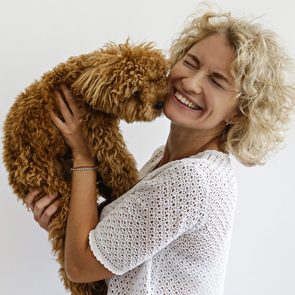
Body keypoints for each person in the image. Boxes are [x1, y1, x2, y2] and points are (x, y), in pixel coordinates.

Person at [24, 9, 295, 295]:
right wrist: (66, 224)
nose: (190, 83)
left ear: (239, 113)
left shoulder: (192, 180)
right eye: (190, 63)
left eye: (216, 81)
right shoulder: (166, 160)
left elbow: (81, 267)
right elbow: (117, 247)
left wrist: (82, 155)